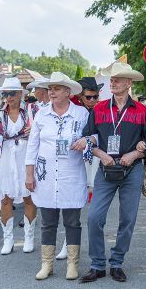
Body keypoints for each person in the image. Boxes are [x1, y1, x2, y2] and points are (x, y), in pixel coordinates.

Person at [75, 62, 146, 283]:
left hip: (132, 169)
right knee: (94, 217)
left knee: (128, 219)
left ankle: (117, 262)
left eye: (118, 79)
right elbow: (88, 137)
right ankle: (97, 265)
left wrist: (136, 154)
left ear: (129, 83)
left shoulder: (142, 111)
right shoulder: (99, 109)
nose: (113, 82)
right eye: (112, 79)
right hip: (106, 168)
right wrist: (101, 154)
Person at [25, 72, 88, 281]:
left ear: (68, 92)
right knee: (48, 221)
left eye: (57, 89)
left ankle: (72, 264)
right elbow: (32, 146)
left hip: (71, 175)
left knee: (72, 221)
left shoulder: (81, 113)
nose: (52, 92)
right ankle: (47, 264)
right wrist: (29, 174)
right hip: (46, 175)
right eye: (50, 89)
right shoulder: (41, 114)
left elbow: (94, 135)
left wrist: (87, 141)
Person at [0, 77, 36, 254]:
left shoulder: (32, 110)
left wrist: (35, 131)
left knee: (29, 196)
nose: (9, 97)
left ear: (20, 94)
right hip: (7, 156)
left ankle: (29, 237)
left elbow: (44, 131)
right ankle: (8, 239)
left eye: (12, 93)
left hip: (26, 155)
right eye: (5, 94)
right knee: (5, 198)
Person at [56, 76, 101, 261]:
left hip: (96, 159)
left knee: (96, 210)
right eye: (89, 97)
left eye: (95, 96)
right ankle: (68, 244)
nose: (93, 100)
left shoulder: (100, 109)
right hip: (75, 160)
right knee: (71, 204)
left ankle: (96, 250)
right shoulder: (72, 109)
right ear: (80, 96)